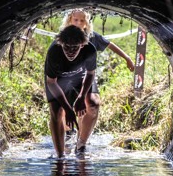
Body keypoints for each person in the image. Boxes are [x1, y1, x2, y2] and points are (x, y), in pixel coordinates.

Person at [60, 8, 135, 143]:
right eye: (75, 20)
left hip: (87, 77)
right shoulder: (63, 36)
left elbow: (110, 45)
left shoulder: (92, 37)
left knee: (92, 105)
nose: (78, 23)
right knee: (66, 107)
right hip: (66, 77)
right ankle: (67, 135)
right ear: (70, 20)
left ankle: (81, 143)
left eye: (82, 20)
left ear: (86, 23)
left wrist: (127, 57)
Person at [44, 25, 97, 158]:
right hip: (57, 79)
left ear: (82, 45)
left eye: (75, 48)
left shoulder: (90, 49)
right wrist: (68, 109)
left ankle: (81, 145)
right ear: (61, 44)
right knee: (57, 112)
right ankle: (60, 155)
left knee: (93, 104)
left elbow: (90, 74)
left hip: (80, 76)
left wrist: (81, 97)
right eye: (66, 47)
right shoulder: (54, 51)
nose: (70, 51)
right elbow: (51, 82)